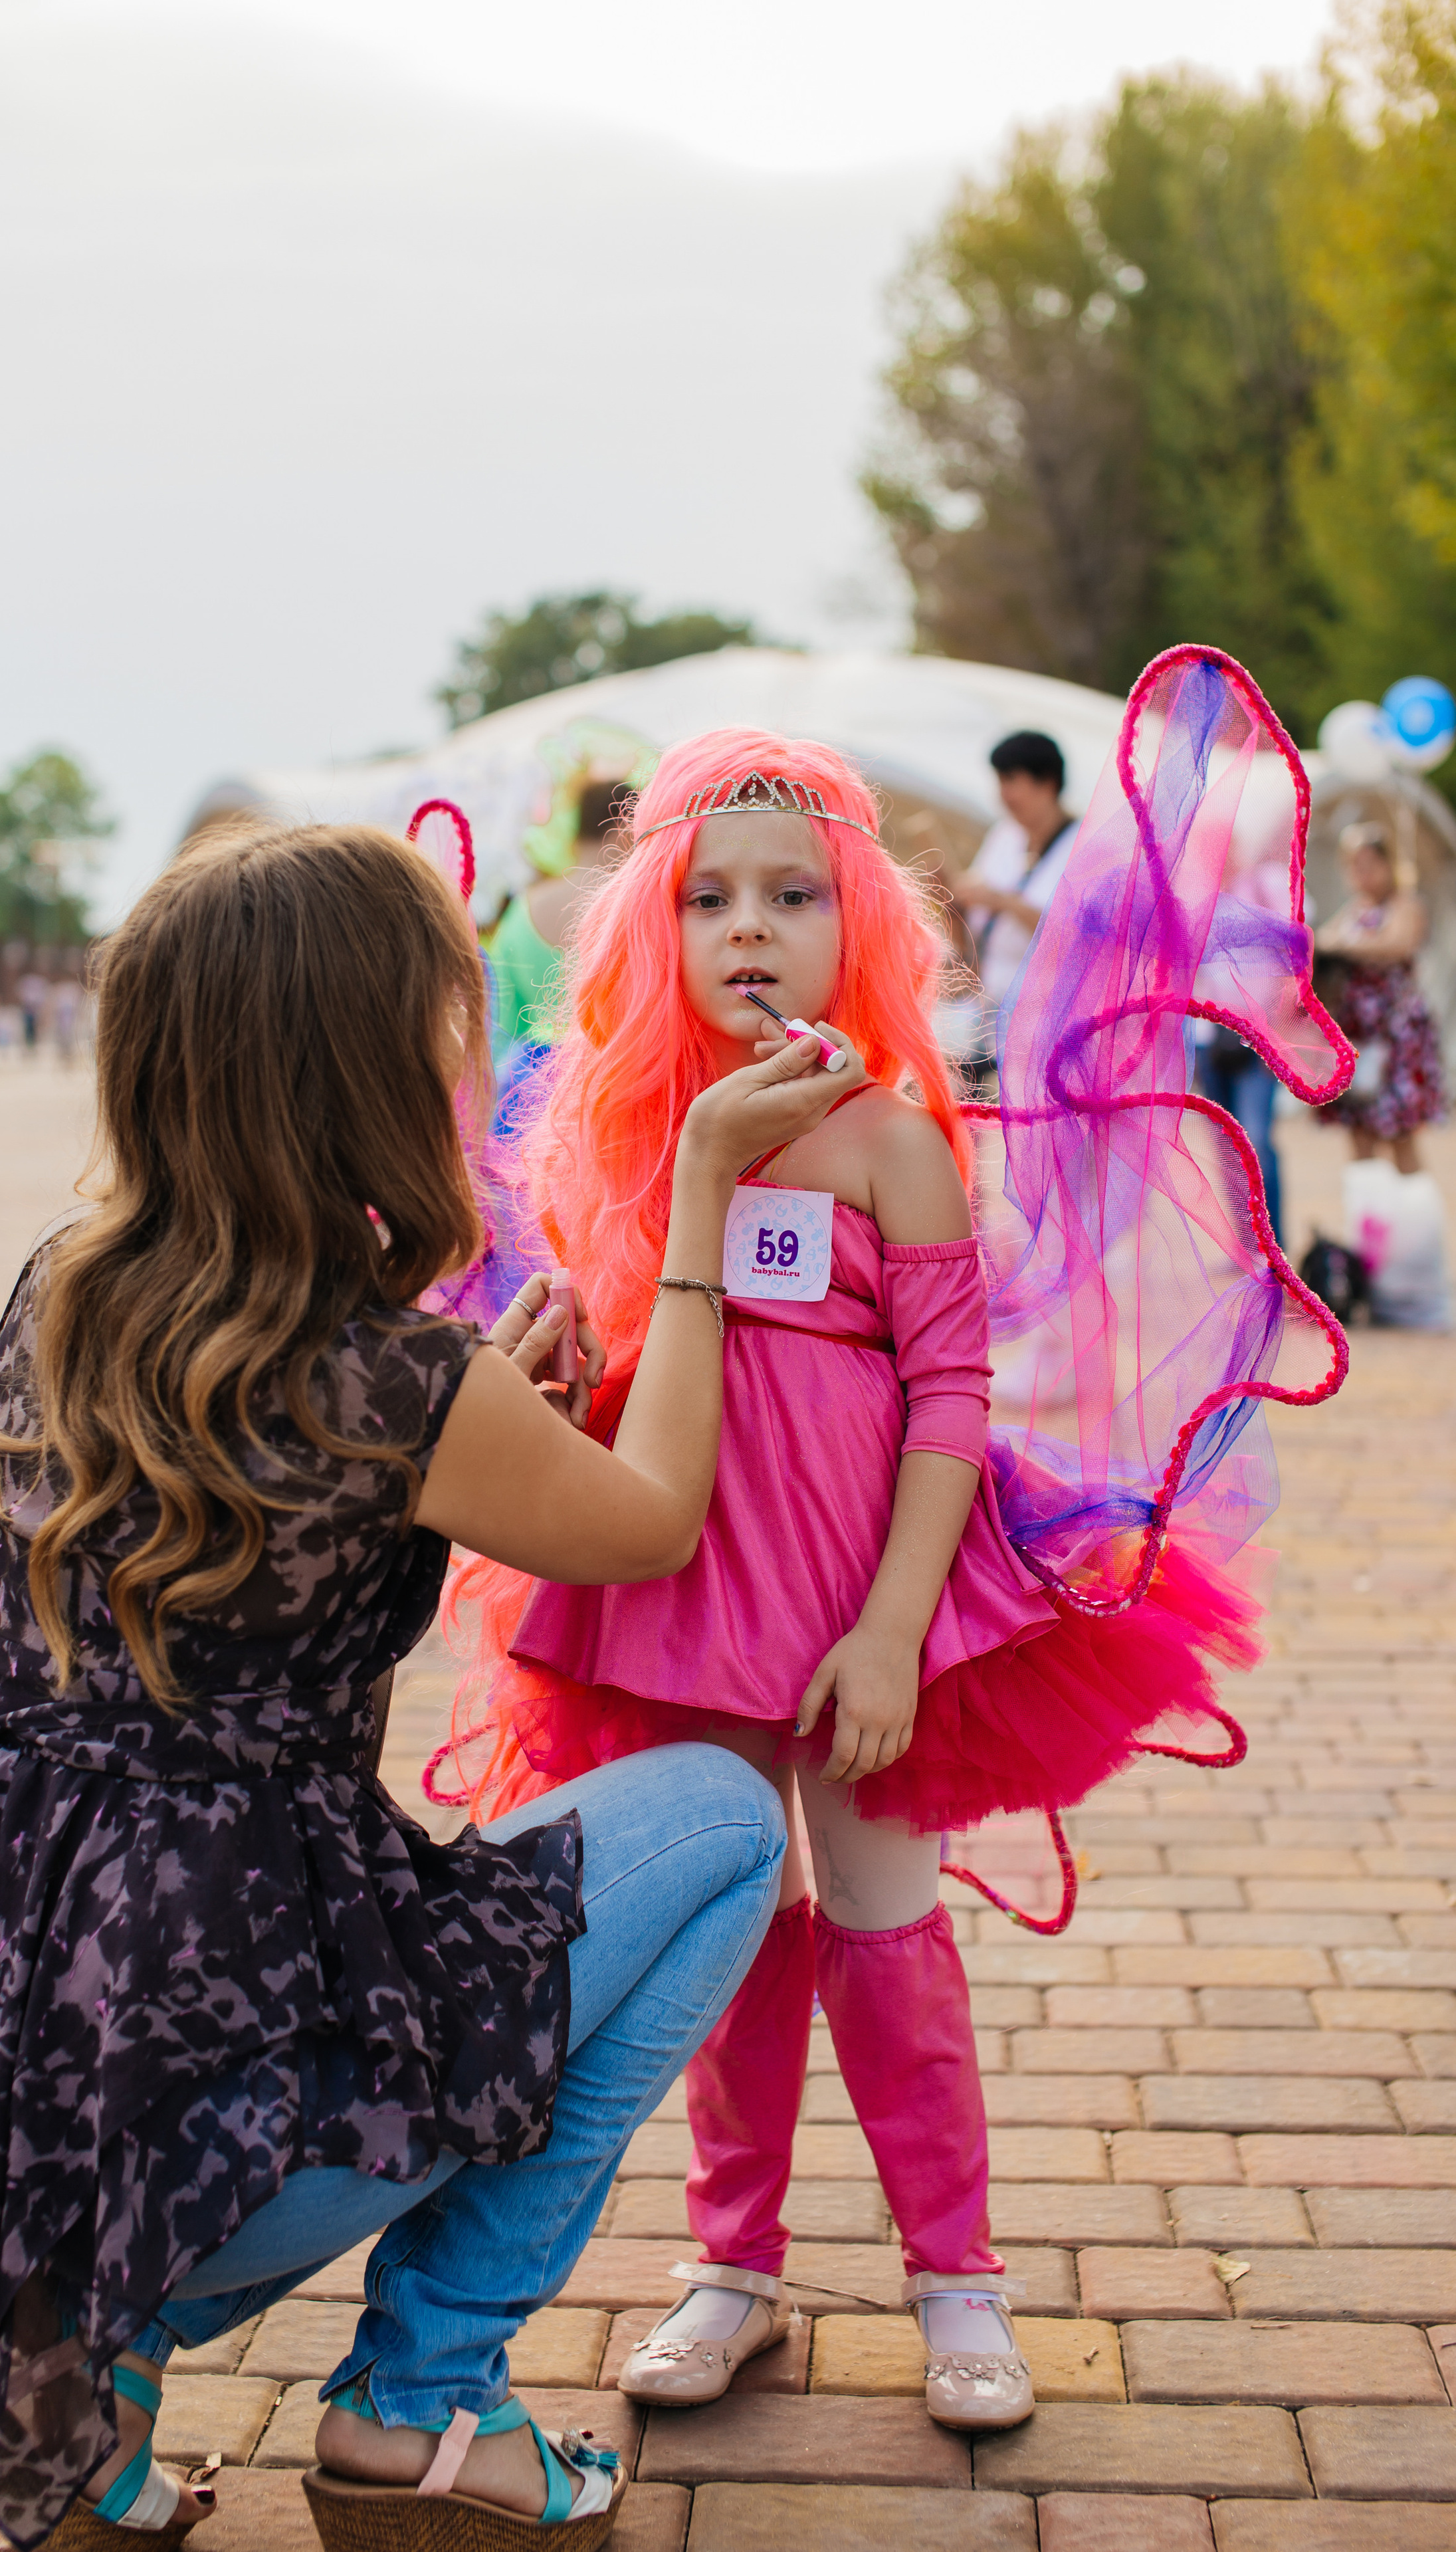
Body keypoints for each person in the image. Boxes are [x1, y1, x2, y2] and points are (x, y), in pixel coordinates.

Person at [0, 819, 857, 2548]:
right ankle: (423, 2398)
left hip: (6, 2114)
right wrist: (710, 1203)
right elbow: (653, 1519)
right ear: (363, 1065)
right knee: (727, 1826)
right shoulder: (390, 1379)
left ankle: (80, 2371)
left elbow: (283, 1467)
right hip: (237, 2146)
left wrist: (477, 1397)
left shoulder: (61, 1292)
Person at [437, 728, 1273, 2439]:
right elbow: (594, 1368)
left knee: (887, 1927)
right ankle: (730, 2267)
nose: (750, 928)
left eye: (793, 895)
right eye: (708, 897)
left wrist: (891, 1624)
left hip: (865, 1599)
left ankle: (953, 2277)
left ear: (862, 923)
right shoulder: (618, 1134)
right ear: (648, 929)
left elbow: (949, 1395)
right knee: (724, 1931)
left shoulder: (897, 1142)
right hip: (681, 1604)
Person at [1314, 819, 1446, 1172]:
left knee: (1401, 1135)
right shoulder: (1354, 911)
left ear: (1389, 866)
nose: (1363, 873)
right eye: (1356, 866)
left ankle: (1414, 1222)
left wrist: (1342, 946)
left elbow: (1393, 944)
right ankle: (1371, 1220)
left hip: (1397, 1034)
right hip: (1360, 1034)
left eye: (1370, 864)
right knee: (1360, 1134)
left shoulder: (1405, 904)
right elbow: (1321, 941)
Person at [948, 731, 1079, 1074]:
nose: (1003, 796)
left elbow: (1076, 933)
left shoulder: (1086, 847)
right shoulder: (1005, 836)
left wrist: (1003, 901)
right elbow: (975, 917)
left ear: (1046, 783)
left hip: (1052, 1018)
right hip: (992, 1010)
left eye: (1011, 781)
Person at [487, 778, 625, 1071]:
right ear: (624, 832)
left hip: (537, 1087)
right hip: (624, 1077)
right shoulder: (638, 904)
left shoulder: (520, 912)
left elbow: (502, 1025)